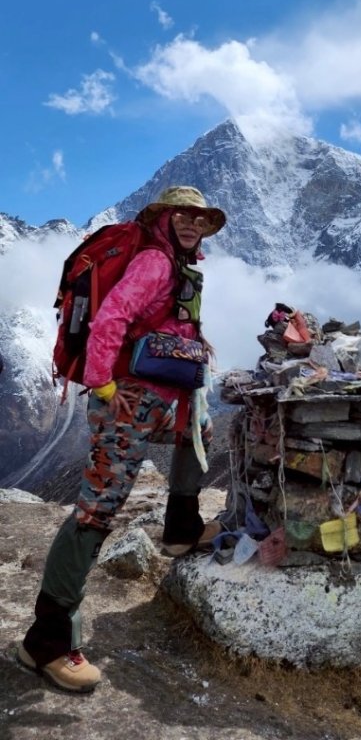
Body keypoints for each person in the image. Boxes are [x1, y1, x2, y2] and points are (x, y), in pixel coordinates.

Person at [18, 185, 226, 693]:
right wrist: (103, 383)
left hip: (161, 397)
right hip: (127, 399)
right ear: (163, 216)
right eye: (183, 215)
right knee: (98, 508)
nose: (192, 224)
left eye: (200, 219)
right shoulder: (155, 262)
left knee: (198, 435)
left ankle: (181, 528)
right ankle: (46, 643)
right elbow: (110, 318)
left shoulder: (178, 268)